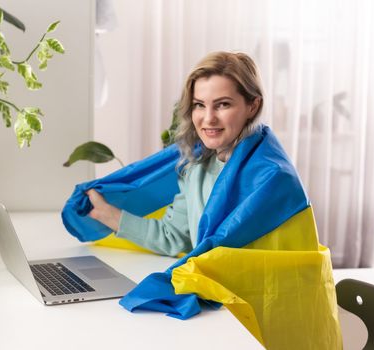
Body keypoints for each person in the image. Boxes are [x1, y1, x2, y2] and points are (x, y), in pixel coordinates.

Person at [85, 51, 263, 256]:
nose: (209, 118)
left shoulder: (267, 175)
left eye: (223, 104)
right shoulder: (196, 168)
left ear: (252, 106)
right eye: (199, 105)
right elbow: (174, 236)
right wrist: (108, 215)